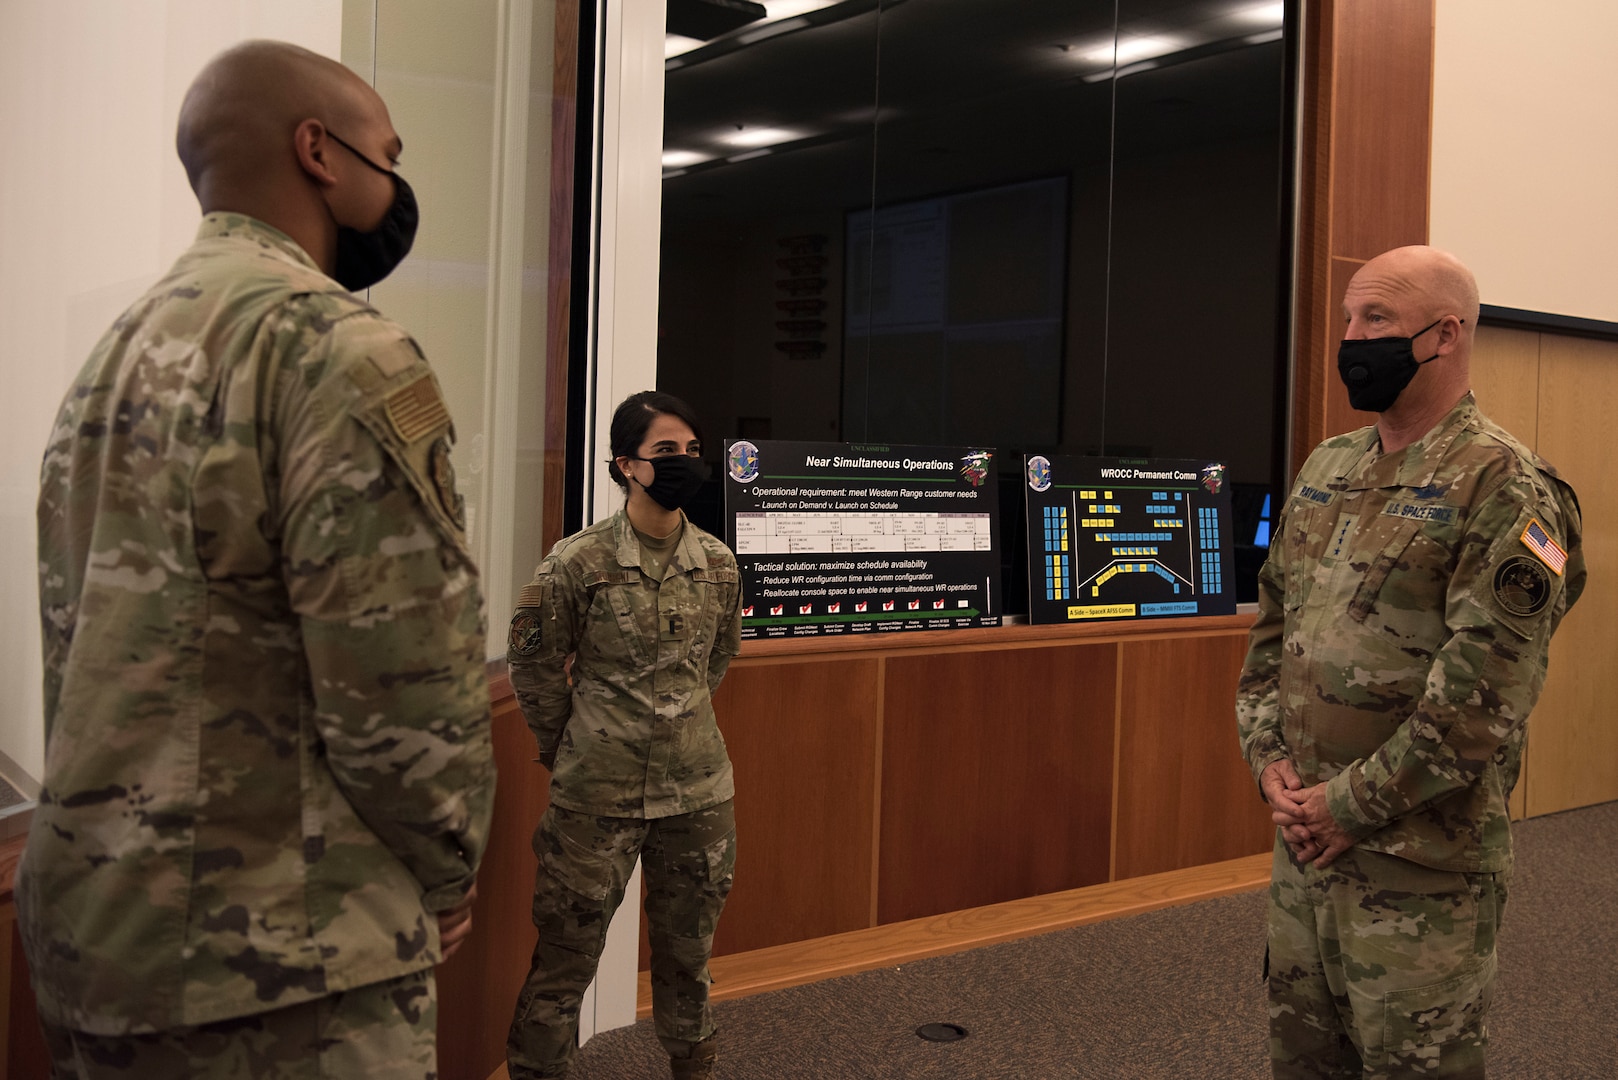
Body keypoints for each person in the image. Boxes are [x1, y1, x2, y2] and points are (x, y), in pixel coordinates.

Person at [19, 40, 494, 1078]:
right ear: (318, 151)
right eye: (387, 152)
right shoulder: (337, 347)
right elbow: (401, 675)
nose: (395, 182)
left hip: (97, 940)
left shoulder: (108, 364)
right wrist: (447, 867)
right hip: (284, 966)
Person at [1238, 245, 1586, 1078]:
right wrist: (1270, 764)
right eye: (1350, 320)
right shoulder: (1329, 467)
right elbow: (1271, 637)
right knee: (1305, 1056)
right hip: (1306, 850)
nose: (1353, 338)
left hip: (1419, 862)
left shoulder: (1506, 487)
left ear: (1445, 334)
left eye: (1377, 321)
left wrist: (1344, 806)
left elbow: (1482, 699)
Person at [506, 391, 743, 1080]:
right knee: (565, 960)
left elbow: (715, 662)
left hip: (698, 794)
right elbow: (534, 663)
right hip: (596, 797)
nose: (684, 464)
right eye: (666, 452)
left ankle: (693, 1068)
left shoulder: (719, 563)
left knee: (688, 956)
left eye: (693, 451)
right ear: (625, 466)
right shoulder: (578, 563)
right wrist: (571, 746)